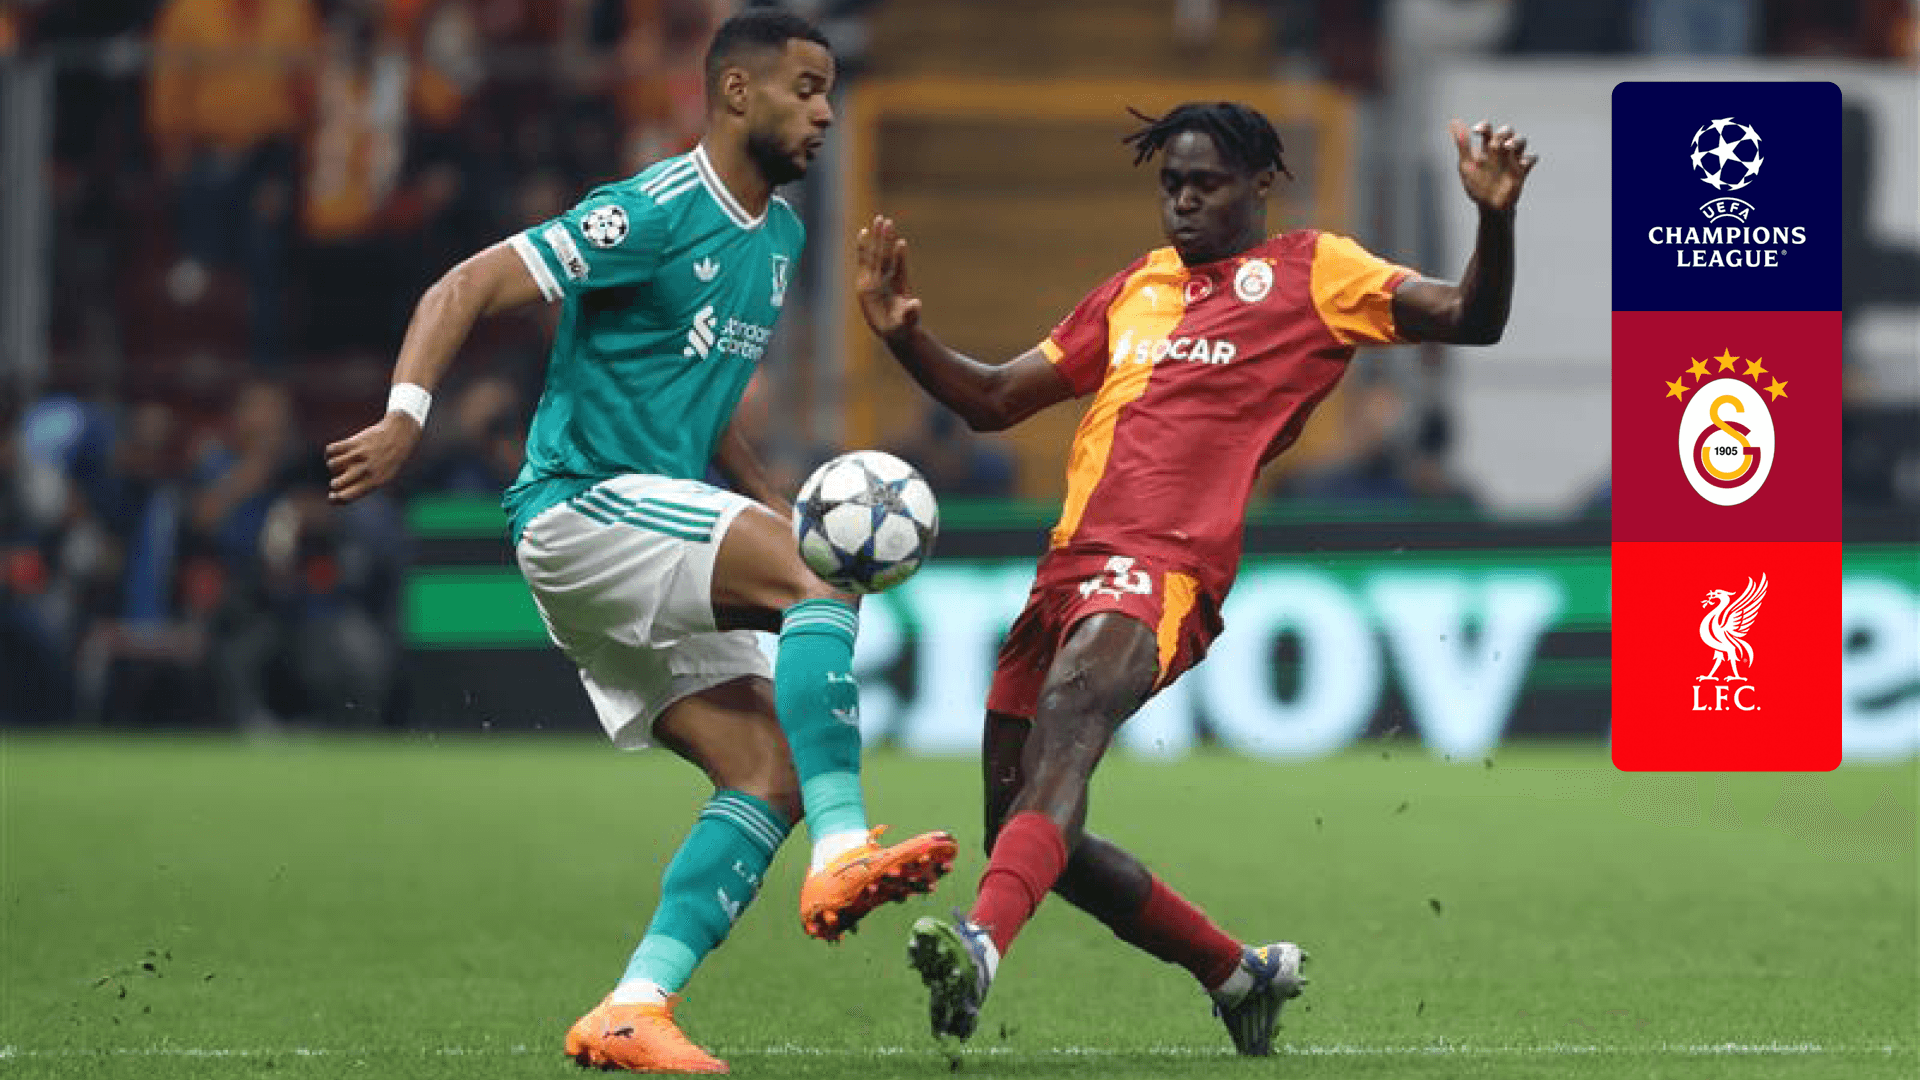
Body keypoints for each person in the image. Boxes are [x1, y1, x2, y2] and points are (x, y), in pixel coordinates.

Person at [324, 10, 957, 1073]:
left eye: (831, 93)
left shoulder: (782, 238)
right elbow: (463, 285)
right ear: (737, 92)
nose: (825, 113)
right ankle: (847, 847)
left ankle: (633, 1006)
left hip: (647, 524)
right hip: (582, 507)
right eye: (807, 89)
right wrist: (405, 417)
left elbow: (703, 404)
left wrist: (773, 501)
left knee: (766, 774)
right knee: (824, 578)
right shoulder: (652, 210)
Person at [855, 101, 1536, 1052]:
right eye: (1171, 184)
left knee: (1068, 736)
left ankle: (980, 945)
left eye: (1204, 184)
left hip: (1165, 566)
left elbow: (1472, 318)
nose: (1182, 202)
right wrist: (904, 336)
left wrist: (1494, 219)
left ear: (1260, 184)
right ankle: (1238, 974)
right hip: (1065, 570)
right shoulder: (1136, 286)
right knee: (1024, 828)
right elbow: (996, 399)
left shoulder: (1318, 271)